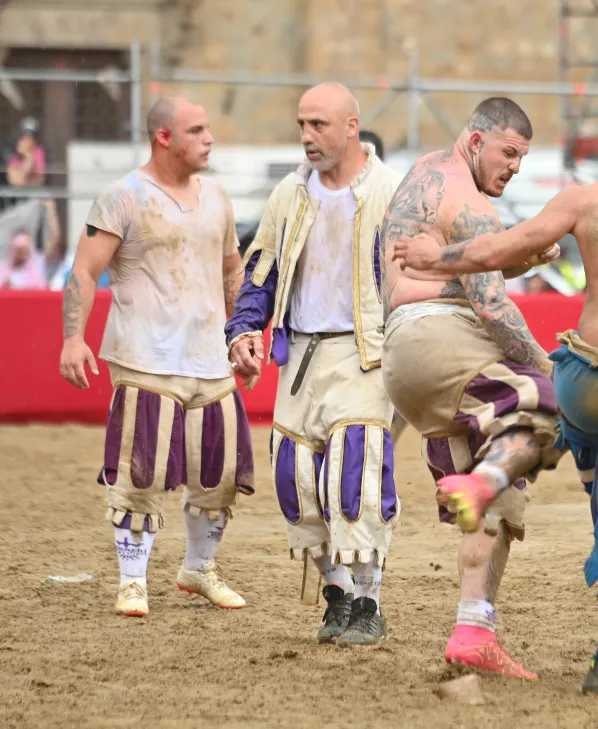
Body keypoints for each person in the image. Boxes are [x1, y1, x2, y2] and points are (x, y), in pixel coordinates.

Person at [391, 97, 598, 695]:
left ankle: (491, 483)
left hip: (589, 373)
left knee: (551, 415)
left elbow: (497, 250)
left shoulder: (585, 199)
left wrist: (433, 256)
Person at [378, 97, 563, 681]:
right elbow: (491, 308)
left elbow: (460, 267)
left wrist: (521, 257)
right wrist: (552, 374)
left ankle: (473, 629)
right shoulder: (471, 204)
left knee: (500, 490)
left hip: (407, 357)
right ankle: (483, 479)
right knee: (546, 410)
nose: (514, 167)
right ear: (478, 140)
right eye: (509, 153)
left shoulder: (429, 171)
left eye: (523, 158)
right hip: (443, 346)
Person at [58, 97, 255, 618]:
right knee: (139, 472)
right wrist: (73, 338)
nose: (209, 137)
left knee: (219, 471)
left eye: (209, 127)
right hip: (145, 357)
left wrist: (242, 335)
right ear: (164, 137)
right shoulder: (123, 196)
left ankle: (198, 568)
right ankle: (132, 582)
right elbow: (83, 271)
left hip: (210, 359)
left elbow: (232, 272)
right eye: (197, 129)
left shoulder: (217, 197)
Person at [224, 83, 403, 646]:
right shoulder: (289, 193)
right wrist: (244, 330)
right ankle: (336, 592)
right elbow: (262, 270)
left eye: (319, 124)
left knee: (357, 472)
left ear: (351, 126)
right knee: (294, 479)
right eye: (302, 124)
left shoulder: (391, 192)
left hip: (366, 353)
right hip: (300, 353)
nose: (306, 136)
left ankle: (370, 601)